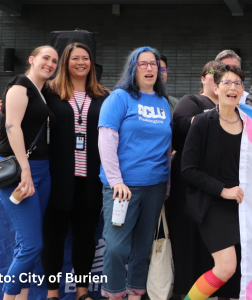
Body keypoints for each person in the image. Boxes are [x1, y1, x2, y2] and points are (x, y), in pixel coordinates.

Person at [97, 47, 171, 300]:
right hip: (122, 188)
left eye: (154, 65)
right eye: (143, 64)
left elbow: (166, 147)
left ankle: (136, 293)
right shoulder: (119, 98)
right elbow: (106, 139)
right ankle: (115, 294)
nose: (150, 69)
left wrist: (167, 185)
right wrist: (116, 180)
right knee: (116, 248)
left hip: (155, 186)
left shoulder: (163, 103)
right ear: (133, 68)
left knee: (143, 248)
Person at [41, 42, 109, 300]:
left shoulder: (103, 96)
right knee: (53, 238)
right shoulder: (50, 92)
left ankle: (82, 293)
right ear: (65, 62)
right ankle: (52, 293)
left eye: (86, 58)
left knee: (85, 239)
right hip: (57, 179)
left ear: (92, 63)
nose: (81, 63)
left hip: (90, 180)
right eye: (75, 58)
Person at [168, 60, 241, 299]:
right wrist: (223, 191)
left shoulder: (250, 122)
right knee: (226, 266)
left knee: (238, 273)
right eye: (227, 82)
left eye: (238, 83)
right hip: (212, 204)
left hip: (243, 205)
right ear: (216, 88)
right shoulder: (202, 121)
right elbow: (188, 170)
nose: (233, 87)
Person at [0, 45, 58, 300]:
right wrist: (25, 169)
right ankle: (9, 297)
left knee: (27, 245)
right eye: (45, 58)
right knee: (32, 244)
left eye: (54, 61)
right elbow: (12, 126)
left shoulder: (43, 92)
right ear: (32, 59)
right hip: (20, 170)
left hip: (42, 170)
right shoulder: (20, 84)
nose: (50, 64)